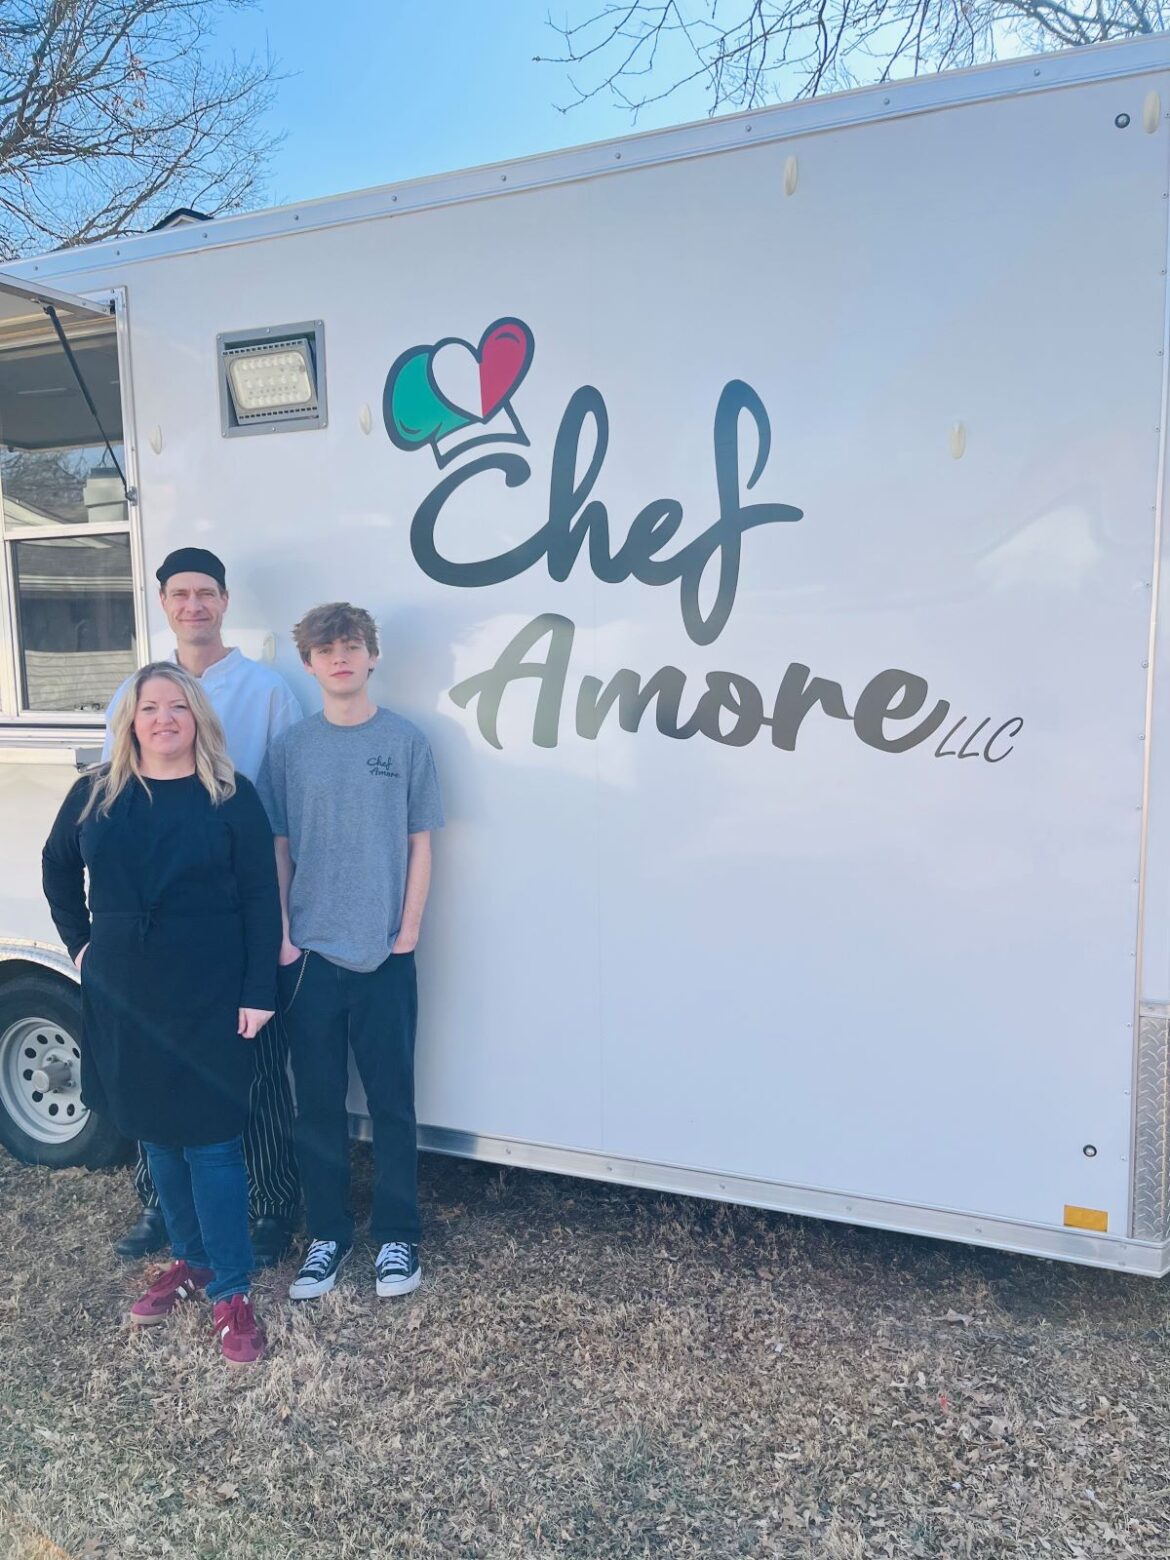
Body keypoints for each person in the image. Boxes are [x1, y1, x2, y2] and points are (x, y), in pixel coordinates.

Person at [43, 663, 281, 1366]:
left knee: (209, 1137)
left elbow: (262, 897)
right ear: (132, 719)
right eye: (151, 708)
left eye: (178, 707)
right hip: (123, 986)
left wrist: (258, 989)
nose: (164, 719)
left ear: (198, 718)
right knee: (154, 1134)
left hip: (209, 983)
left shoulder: (231, 796)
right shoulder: (96, 793)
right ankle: (193, 1261)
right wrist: (80, 943)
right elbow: (57, 866)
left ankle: (232, 1290)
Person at [103, 547, 302, 1267]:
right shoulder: (135, 692)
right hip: (156, 931)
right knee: (150, 1066)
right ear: (163, 603)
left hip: (238, 915)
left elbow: (281, 819)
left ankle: (273, 1203)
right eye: (180, 593)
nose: (194, 605)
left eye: (206, 593)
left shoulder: (267, 690)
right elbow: (111, 808)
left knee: (255, 1061)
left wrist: (279, 928)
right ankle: (163, 1204)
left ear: (224, 602)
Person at [256, 603, 444, 1302]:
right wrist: (282, 934)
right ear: (308, 664)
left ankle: (398, 1237)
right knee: (318, 1108)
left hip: (386, 955)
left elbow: (422, 840)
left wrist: (409, 931)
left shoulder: (404, 743)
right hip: (309, 959)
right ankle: (326, 1236)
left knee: (393, 1102)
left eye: (352, 646)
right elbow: (277, 847)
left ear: (372, 657)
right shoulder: (291, 751)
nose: (340, 658)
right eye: (326, 649)